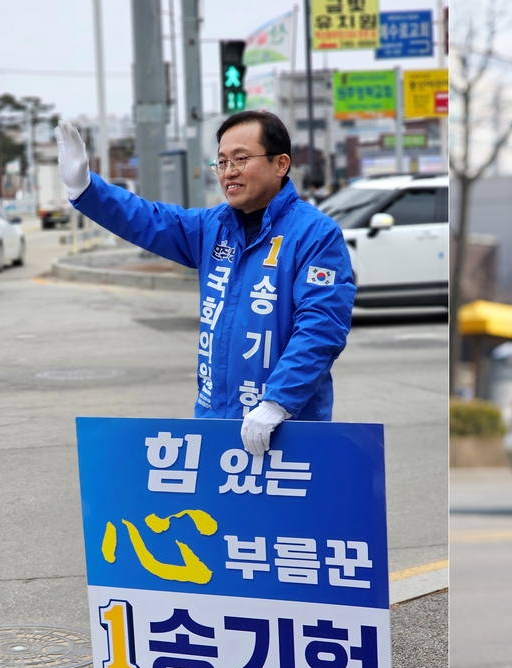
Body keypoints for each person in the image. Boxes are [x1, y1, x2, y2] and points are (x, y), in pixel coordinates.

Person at [54, 111, 355, 457]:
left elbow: (321, 327)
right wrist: (86, 189)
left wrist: (278, 402)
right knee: (214, 514)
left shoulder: (316, 234)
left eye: (241, 159)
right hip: (216, 425)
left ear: (280, 164)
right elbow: (148, 219)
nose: (229, 171)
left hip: (288, 428)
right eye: (222, 162)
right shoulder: (213, 228)